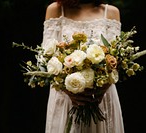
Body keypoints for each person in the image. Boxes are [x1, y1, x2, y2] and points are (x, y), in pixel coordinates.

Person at [42, 0, 125, 132]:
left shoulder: (111, 12)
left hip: (101, 98)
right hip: (66, 100)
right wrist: (69, 90)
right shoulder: (56, 9)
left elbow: (116, 59)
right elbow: (46, 58)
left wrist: (100, 90)